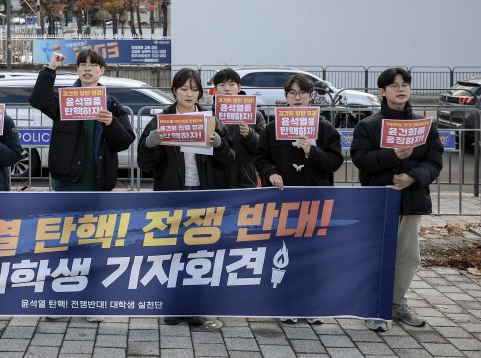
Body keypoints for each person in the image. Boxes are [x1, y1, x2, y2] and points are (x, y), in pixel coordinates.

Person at [138, 67, 233, 328]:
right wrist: (150, 144)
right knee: (171, 252)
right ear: (174, 91)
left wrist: (220, 145)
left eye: (194, 89)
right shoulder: (160, 120)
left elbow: (229, 160)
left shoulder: (210, 120)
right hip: (172, 195)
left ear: (200, 92)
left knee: (199, 253)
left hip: (203, 195)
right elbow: (145, 163)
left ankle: (195, 307)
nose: (189, 94)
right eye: (183, 89)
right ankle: (172, 306)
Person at [350, 68, 443, 332]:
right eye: (394, 85)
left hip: (412, 200)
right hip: (379, 199)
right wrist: (393, 157)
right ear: (382, 91)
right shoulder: (368, 126)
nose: (401, 89)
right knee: (377, 254)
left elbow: (434, 162)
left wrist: (413, 177)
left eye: (405, 84)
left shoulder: (425, 125)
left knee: (408, 255)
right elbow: (361, 159)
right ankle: (374, 306)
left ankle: (396, 302)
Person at [255, 73, 343, 325]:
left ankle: (313, 304)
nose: (297, 98)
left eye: (302, 93)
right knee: (285, 252)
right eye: (292, 93)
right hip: (284, 199)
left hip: (316, 197)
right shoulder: (272, 128)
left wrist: (311, 151)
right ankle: (287, 303)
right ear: (285, 97)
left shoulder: (325, 129)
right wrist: (271, 173)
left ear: (311, 96)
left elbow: (335, 162)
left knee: (314, 253)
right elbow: (261, 158)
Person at [29, 48, 136, 191]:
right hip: (66, 181)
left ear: (102, 70)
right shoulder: (65, 99)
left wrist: (112, 124)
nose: (87, 69)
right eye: (83, 65)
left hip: (99, 181)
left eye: (93, 65)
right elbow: (38, 100)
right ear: (77, 70)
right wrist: (51, 67)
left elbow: (124, 142)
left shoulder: (111, 104)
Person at [211, 68, 266, 188]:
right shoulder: (210, 116)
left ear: (239, 87)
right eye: (222, 85)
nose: (227, 88)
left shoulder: (255, 114)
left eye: (231, 84)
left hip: (246, 177)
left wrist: (250, 134)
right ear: (215, 89)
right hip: (219, 178)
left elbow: (264, 149)